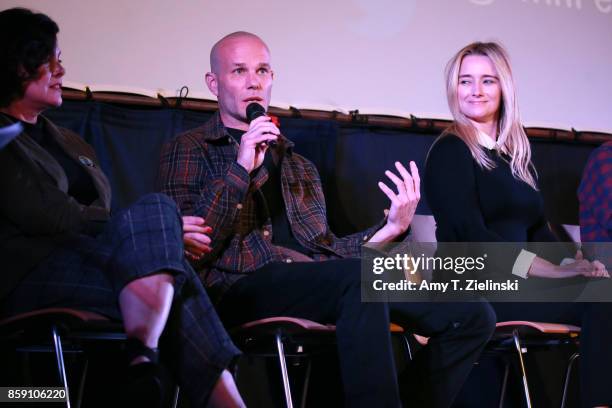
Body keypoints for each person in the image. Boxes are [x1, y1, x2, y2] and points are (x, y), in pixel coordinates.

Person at [158, 31, 495, 407]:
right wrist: (241, 167)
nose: (254, 81)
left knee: (472, 314)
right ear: (213, 83)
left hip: (312, 279)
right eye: (239, 71)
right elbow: (192, 245)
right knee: (358, 282)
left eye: (262, 71)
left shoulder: (297, 164)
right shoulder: (188, 149)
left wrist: (392, 228)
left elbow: (328, 250)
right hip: (238, 287)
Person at [0, 8, 244, 408]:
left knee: (162, 242)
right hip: (27, 272)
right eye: (49, 60)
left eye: (59, 60)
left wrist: (384, 236)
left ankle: (141, 357)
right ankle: (189, 381)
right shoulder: (3, 139)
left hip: (92, 263)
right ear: (15, 65)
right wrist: (147, 232)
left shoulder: (71, 143)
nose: (60, 70)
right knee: (164, 240)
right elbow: (50, 217)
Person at [424, 41, 612, 407]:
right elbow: (474, 238)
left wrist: (575, 263)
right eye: (465, 81)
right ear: (453, 88)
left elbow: (538, 228)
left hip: (519, 284)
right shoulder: (451, 151)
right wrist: (549, 271)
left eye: (487, 81)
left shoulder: (515, 155)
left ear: (504, 88)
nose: (475, 91)